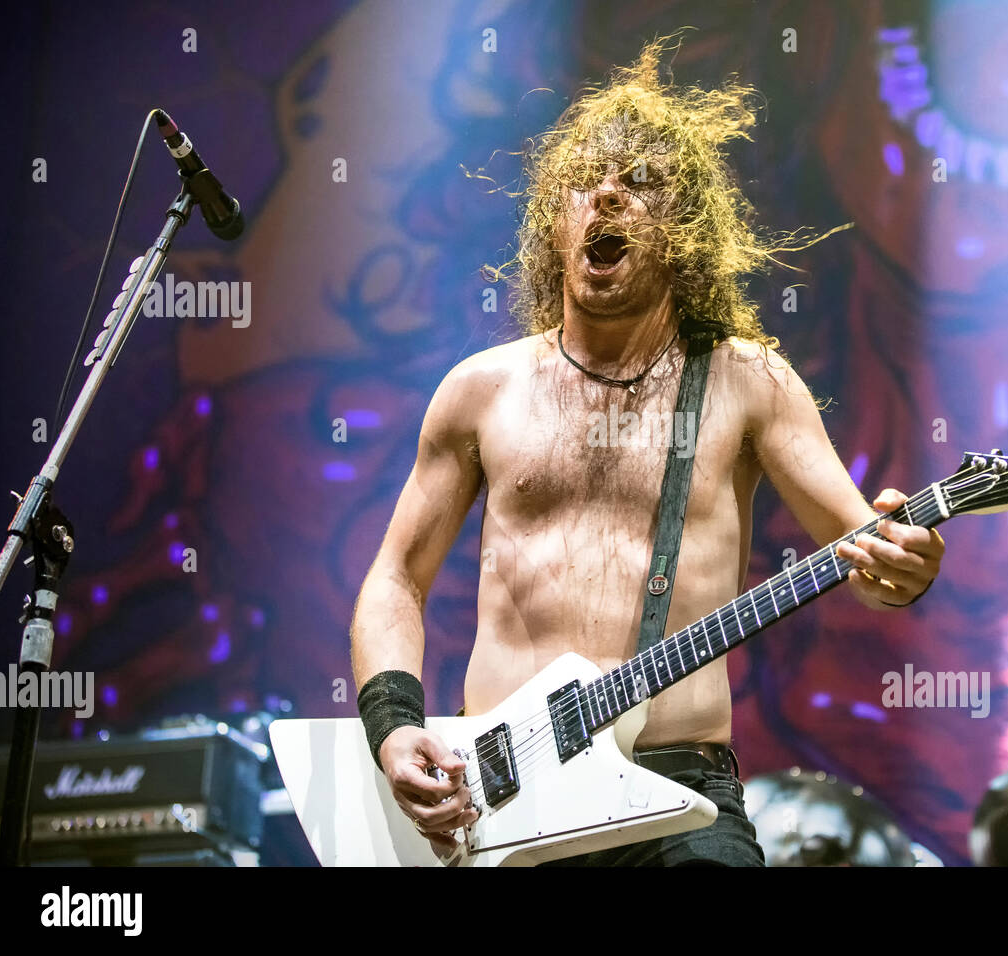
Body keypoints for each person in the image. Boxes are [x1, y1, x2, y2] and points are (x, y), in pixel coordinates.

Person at [350, 37, 944, 866]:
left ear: (686, 229)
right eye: (582, 186)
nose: (606, 198)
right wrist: (392, 727)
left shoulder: (747, 381)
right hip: (501, 799)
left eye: (639, 185)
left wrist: (903, 567)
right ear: (551, 225)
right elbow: (395, 578)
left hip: (679, 789)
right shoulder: (481, 390)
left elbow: (865, 555)